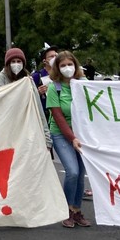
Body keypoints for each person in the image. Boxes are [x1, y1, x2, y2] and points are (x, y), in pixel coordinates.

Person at [46, 51, 91, 229]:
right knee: (72, 171)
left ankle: (77, 210)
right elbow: (58, 117)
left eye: (70, 64)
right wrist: (72, 138)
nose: (67, 68)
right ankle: (67, 211)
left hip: (82, 135)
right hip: (61, 134)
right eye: (63, 65)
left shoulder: (84, 85)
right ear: (57, 68)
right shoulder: (53, 88)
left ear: (76, 65)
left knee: (80, 173)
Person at [0, 47, 52, 149]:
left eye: (19, 61)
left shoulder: (28, 80)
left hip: (27, 128)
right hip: (6, 130)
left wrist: (46, 135)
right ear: (7, 63)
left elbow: (38, 107)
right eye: (13, 61)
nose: (16, 64)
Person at [32, 46, 58, 118]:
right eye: (52, 56)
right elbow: (29, 96)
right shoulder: (37, 76)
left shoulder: (62, 74)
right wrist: (38, 92)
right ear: (44, 61)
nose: (55, 58)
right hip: (44, 114)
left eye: (56, 55)